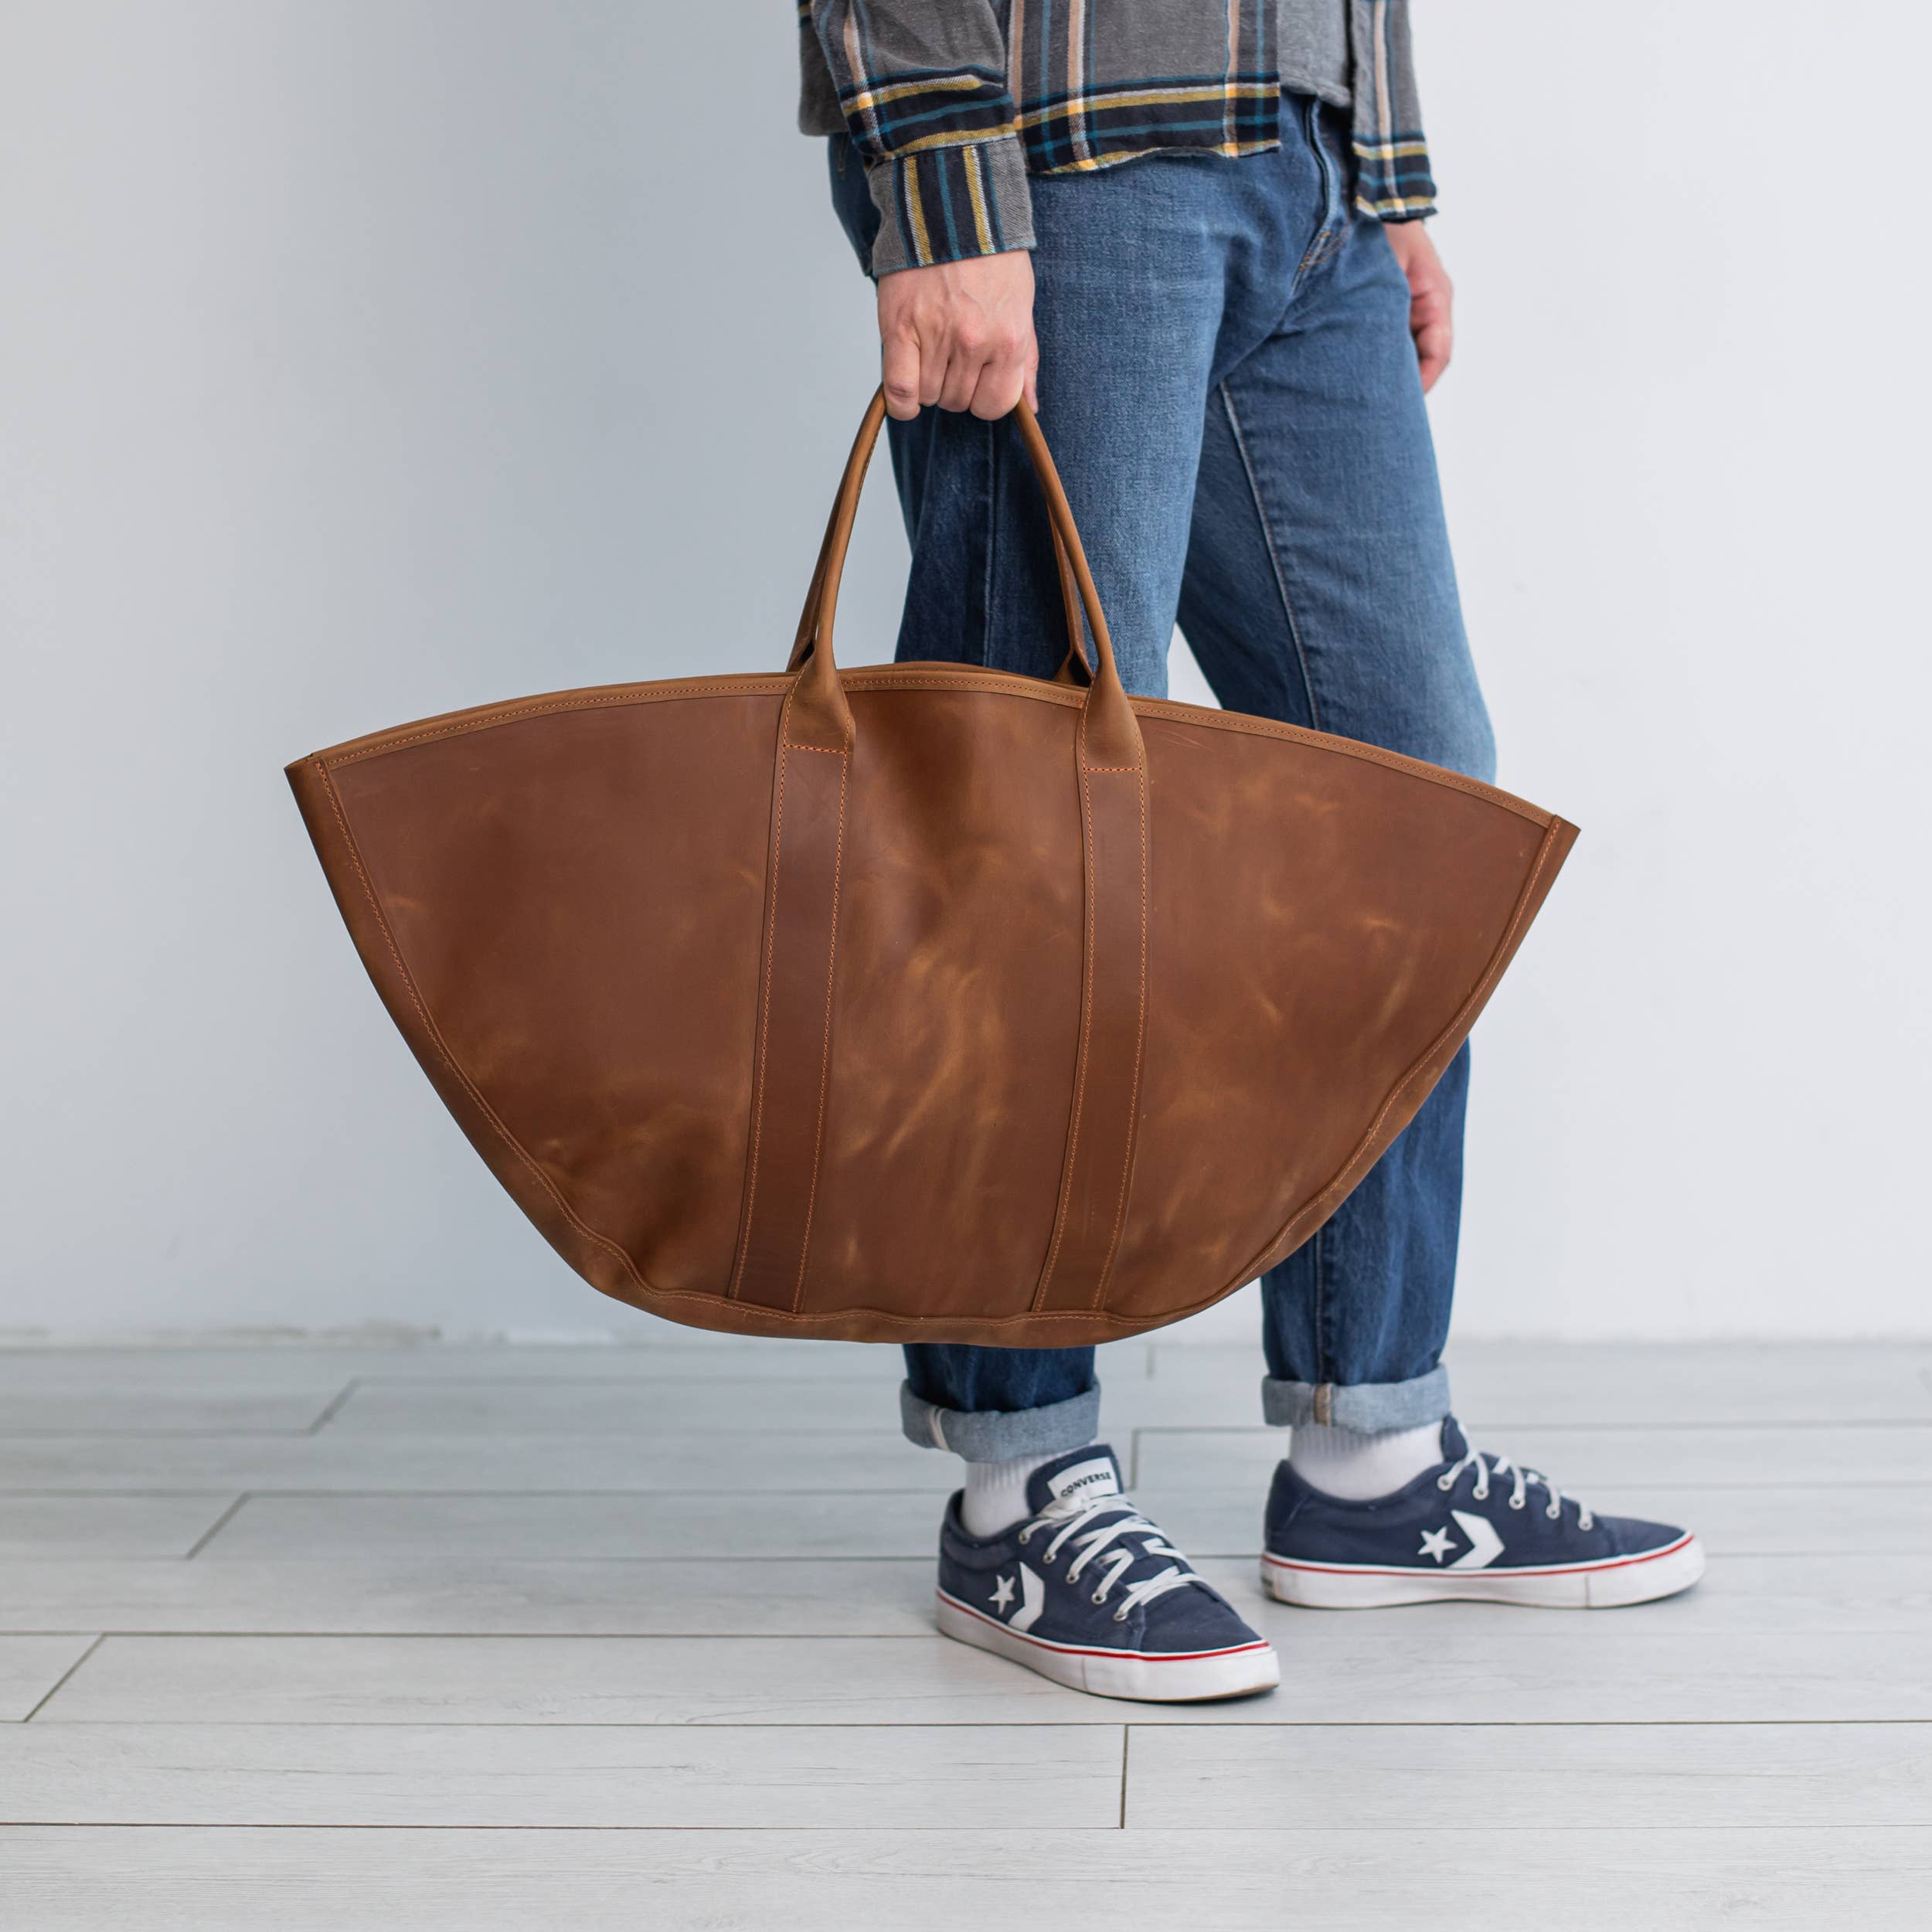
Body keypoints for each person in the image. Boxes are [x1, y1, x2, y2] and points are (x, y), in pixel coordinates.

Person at [799, 2, 1702, 1703]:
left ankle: (1371, 1455)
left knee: (1406, 800)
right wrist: (939, 178)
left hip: (1310, 161)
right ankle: (1014, 1480)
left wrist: (1383, 166)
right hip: (1070, 152)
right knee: (1041, 815)